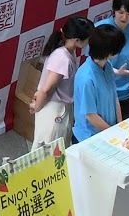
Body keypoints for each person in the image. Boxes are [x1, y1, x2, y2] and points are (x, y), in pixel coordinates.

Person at [27, 16, 91, 147]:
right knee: (48, 153)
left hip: (60, 107)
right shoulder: (62, 58)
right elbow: (46, 89)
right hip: (54, 110)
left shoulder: (68, 52)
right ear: (77, 40)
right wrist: (37, 106)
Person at [73, 23, 124, 142]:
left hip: (109, 129)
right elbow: (91, 115)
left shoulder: (107, 65)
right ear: (109, 53)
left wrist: (121, 125)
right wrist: (114, 134)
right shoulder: (86, 79)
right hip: (89, 137)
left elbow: (114, 96)